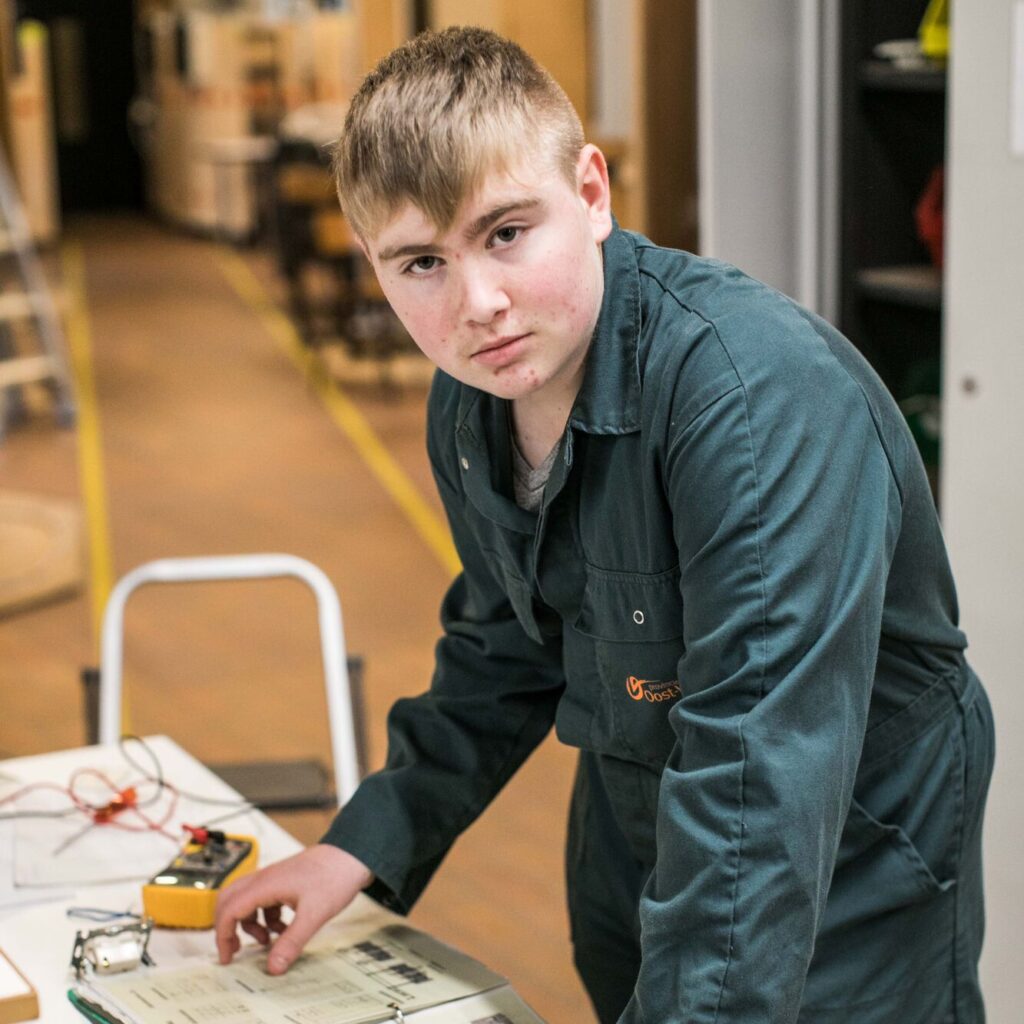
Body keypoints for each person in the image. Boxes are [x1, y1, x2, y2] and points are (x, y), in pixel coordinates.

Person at [215, 26, 995, 1024]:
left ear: (590, 194)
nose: (477, 303)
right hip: (639, 819)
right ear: (372, 264)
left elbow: (760, 766)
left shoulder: (754, 400)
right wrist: (363, 844)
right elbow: (505, 643)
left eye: (505, 232)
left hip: (848, 848)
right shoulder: (476, 402)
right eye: (420, 262)